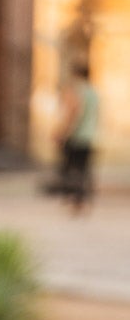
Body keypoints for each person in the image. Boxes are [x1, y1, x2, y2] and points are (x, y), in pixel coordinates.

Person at [58, 62, 99, 210]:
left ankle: (75, 198)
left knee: (71, 168)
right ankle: (83, 197)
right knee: (84, 168)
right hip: (90, 135)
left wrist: (63, 132)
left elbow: (74, 113)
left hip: (77, 136)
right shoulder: (94, 93)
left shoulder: (77, 91)